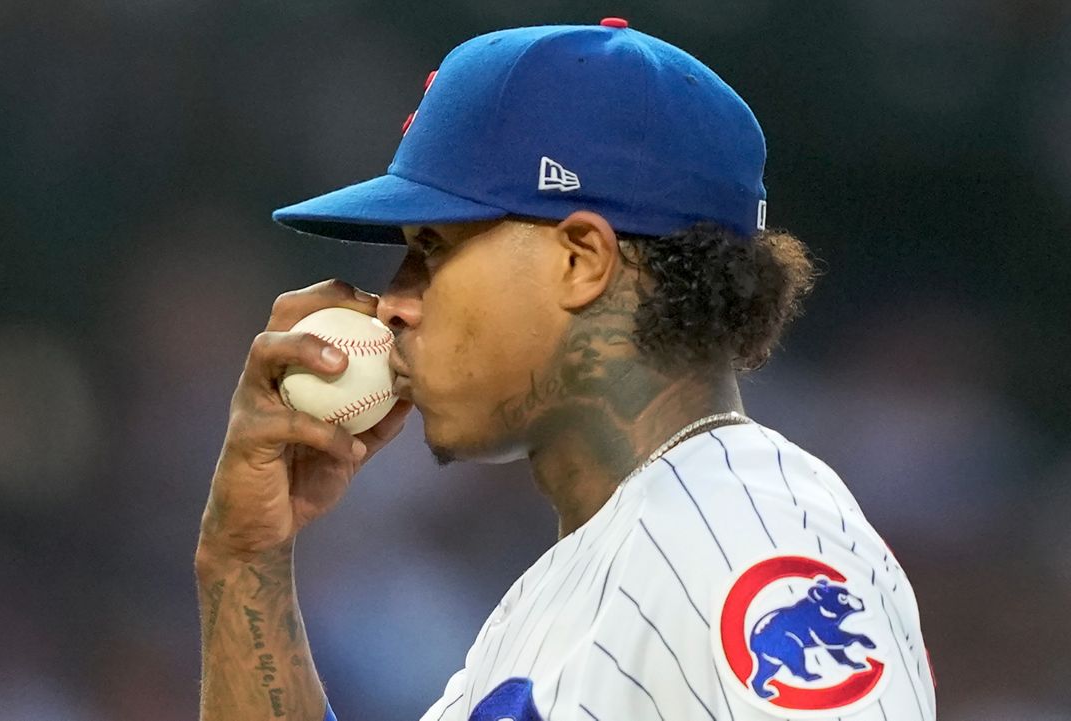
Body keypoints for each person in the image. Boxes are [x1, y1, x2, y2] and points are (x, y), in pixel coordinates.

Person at [195, 19, 937, 721]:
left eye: (433, 245)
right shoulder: (571, 584)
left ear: (581, 259)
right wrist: (243, 559)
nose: (393, 301)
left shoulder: (749, 540)